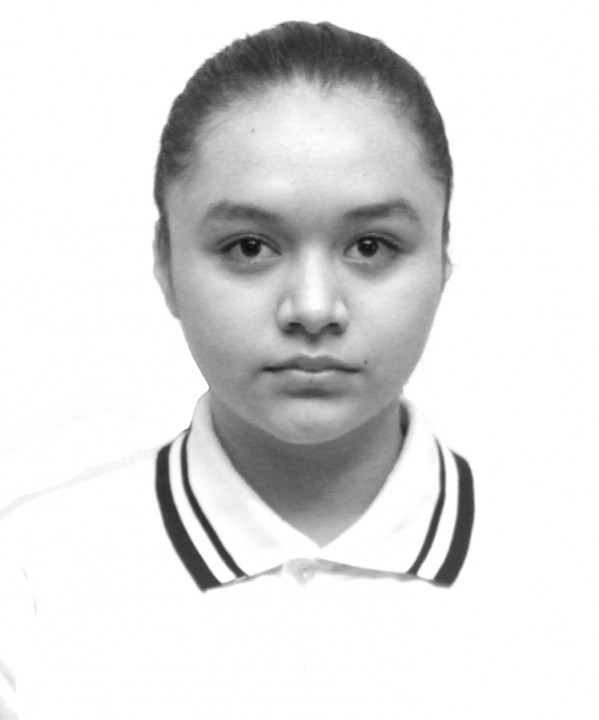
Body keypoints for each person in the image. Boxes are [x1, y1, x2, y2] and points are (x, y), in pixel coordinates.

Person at [0, 21, 476, 719]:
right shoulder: (28, 574)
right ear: (165, 263)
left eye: (371, 246)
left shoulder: (571, 567)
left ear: (442, 256)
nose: (312, 308)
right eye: (249, 247)